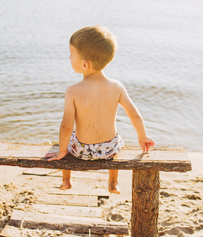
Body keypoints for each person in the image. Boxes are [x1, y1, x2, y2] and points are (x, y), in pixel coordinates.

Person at [47, 25, 155, 193]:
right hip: (109, 149)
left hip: (82, 151)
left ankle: (66, 180)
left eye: (72, 55)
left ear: (84, 64)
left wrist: (62, 151)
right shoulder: (117, 87)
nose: (69, 57)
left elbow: (66, 127)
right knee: (116, 140)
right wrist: (143, 137)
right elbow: (134, 114)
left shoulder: (73, 91)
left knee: (67, 142)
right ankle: (113, 183)